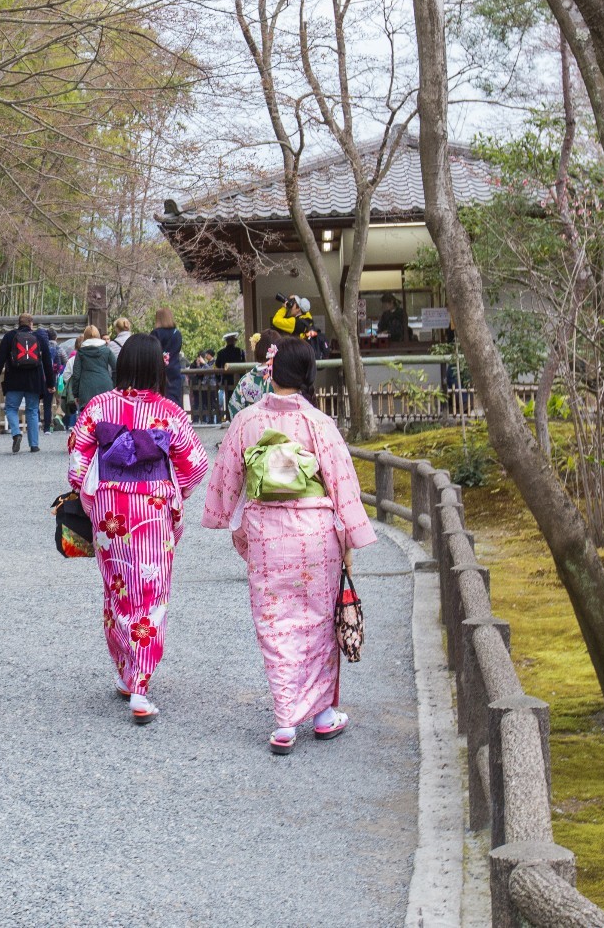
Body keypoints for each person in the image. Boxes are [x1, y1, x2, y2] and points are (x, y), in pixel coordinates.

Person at [202, 339, 377, 754]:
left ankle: (284, 721)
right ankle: (321, 715)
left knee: (275, 624)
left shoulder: (246, 420)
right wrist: (351, 536)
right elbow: (342, 483)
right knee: (317, 620)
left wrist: (222, 515)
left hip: (267, 533)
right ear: (308, 375)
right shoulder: (318, 423)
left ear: (272, 372)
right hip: (316, 533)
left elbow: (228, 476)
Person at [67, 334, 211, 725]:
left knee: (118, 589)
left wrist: (90, 498)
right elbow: (196, 465)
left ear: (123, 365)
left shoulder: (99, 407)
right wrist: (170, 490)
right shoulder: (169, 413)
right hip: (152, 510)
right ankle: (141, 687)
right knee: (150, 592)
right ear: (158, 368)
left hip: (111, 509)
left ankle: (124, 672)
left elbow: (78, 464)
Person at [0, 312, 55, 454]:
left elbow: (0, 358)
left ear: (19, 323)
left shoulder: (9, 337)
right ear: (31, 324)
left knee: (11, 408)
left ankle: (16, 433)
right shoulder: (39, 337)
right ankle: (34, 445)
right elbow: (47, 363)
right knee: (32, 410)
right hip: (34, 381)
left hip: (14, 380)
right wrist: (51, 383)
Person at [68, 322, 119, 410]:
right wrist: (114, 385)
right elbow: (116, 369)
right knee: (105, 419)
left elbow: (76, 374)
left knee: (87, 420)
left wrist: (75, 394)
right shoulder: (107, 350)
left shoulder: (80, 353)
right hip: (106, 387)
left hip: (86, 390)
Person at [152, 307, 186, 407]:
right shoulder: (177, 334)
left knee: (159, 400)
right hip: (174, 369)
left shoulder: (156, 333)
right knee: (174, 400)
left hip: (158, 371)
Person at [33, 323, 62, 432]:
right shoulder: (55, 349)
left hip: (37, 379)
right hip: (50, 379)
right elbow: (58, 365)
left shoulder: (34, 347)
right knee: (47, 405)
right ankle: (47, 429)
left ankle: (35, 426)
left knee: (34, 404)